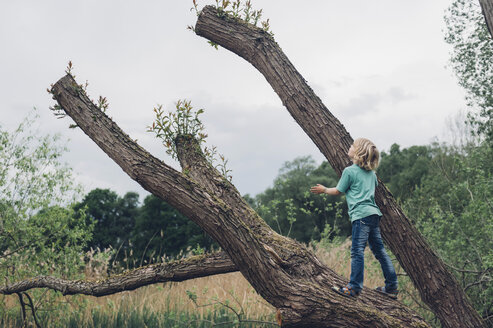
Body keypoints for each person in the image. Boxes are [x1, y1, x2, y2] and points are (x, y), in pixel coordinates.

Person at [310, 138, 398, 298]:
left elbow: (338, 191)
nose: (349, 147)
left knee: (357, 251)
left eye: (352, 146)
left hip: (361, 216)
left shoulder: (349, 172)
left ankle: (354, 288)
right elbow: (373, 187)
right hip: (374, 215)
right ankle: (392, 287)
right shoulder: (372, 174)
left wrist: (323, 190)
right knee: (380, 252)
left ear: (358, 153)